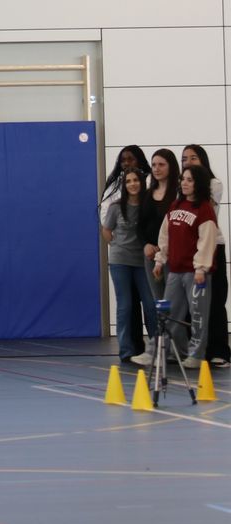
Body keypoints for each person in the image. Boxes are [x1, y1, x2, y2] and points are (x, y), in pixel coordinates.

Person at [153, 166, 218, 368]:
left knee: (198, 315)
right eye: (183, 179)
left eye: (190, 180)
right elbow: (165, 235)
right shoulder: (175, 205)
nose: (184, 183)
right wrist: (160, 259)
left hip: (195, 273)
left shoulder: (205, 209)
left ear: (199, 183)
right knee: (169, 313)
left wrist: (201, 268)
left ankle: (196, 355)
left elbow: (207, 240)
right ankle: (166, 351)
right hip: (175, 271)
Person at [101, 168, 157, 366]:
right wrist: (116, 245)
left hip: (143, 261)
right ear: (125, 185)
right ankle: (126, 350)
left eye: (136, 180)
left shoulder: (148, 205)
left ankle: (156, 348)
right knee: (125, 305)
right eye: (128, 181)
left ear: (142, 182)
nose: (132, 184)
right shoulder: (116, 207)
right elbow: (106, 230)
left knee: (150, 304)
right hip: (120, 261)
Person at [181, 144, 230, 367]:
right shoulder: (182, 186)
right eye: (185, 159)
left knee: (216, 298)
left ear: (203, 160)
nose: (188, 162)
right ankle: (195, 350)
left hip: (212, 245)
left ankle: (220, 350)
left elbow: (204, 208)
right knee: (192, 302)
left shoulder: (213, 184)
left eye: (193, 158)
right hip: (190, 247)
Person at [140, 149, 180, 302]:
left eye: (161, 165)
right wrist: (145, 244)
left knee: (174, 300)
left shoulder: (179, 193)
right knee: (159, 300)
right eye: (154, 165)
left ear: (171, 166)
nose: (156, 168)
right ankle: (162, 320)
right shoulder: (147, 194)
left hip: (172, 253)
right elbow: (140, 225)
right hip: (151, 254)